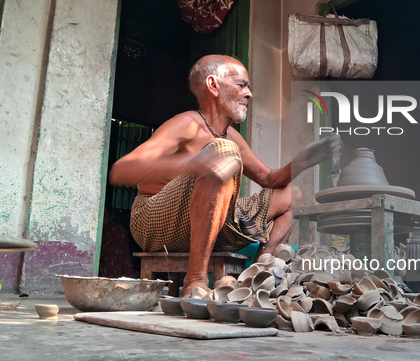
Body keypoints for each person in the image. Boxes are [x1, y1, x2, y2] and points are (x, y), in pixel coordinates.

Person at [109, 54, 340, 297]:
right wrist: (194, 163)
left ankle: (259, 275)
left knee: (292, 194)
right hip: (154, 223)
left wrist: (302, 161)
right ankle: (195, 280)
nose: (249, 94)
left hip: (211, 224)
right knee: (223, 152)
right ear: (213, 85)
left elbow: (269, 179)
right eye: (241, 85)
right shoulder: (187, 123)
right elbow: (122, 169)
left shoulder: (231, 137)